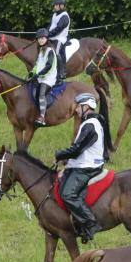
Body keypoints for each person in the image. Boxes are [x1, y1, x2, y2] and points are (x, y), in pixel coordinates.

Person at [54, 93, 110, 243]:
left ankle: (91, 223)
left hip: (88, 166)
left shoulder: (90, 125)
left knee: (68, 194)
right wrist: (67, 163)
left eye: (79, 106)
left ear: (87, 106)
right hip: (84, 163)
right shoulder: (89, 123)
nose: (76, 110)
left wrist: (60, 154)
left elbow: (77, 149)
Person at [27, 28, 59, 127]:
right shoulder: (41, 51)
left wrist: (38, 74)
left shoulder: (50, 50)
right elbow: (37, 65)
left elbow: (49, 66)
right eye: (39, 38)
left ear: (46, 38)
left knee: (41, 94)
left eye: (42, 38)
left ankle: (42, 117)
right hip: (40, 76)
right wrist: (32, 73)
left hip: (48, 78)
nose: (40, 40)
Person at [46, 0, 71, 84]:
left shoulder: (64, 17)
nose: (54, 7)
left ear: (62, 6)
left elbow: (58, 29)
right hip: (52, 37)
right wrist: (45, 32)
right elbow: (51, 26)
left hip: (60, 38)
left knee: (56, 53)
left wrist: (48, 35)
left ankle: (62, 73)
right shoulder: (54, 15)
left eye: (56, 5)